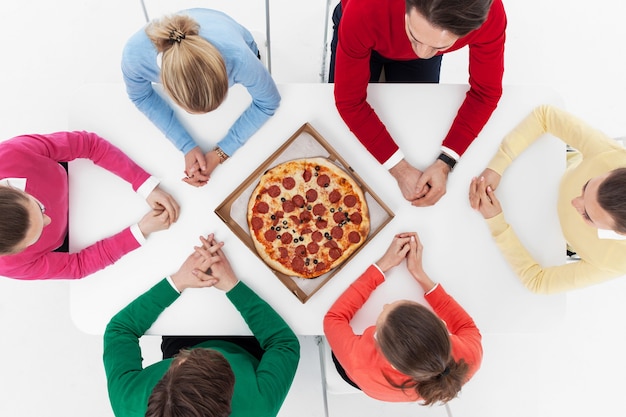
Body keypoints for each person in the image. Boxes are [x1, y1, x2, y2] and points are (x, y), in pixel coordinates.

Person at [329, 0, 506, 206]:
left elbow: (486, 92)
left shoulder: (490, 14)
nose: (421, 53)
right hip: (363, 25)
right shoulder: (364, 8)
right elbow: (349, 101)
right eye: (415, 37)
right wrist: (399, 169)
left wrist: (445, 161)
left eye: (440, 45)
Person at [103, 234, 300, 417]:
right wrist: (233, 286)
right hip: (250, 344)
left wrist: (177, 282)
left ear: (177, 365)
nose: (207, 350)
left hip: (179, 340)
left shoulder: (127, 402)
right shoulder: (259, 410)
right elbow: (284, 344)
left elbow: (120, 330)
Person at [470, 105, 626, 294]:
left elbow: (537, 282)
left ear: (619, 233)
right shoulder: (614, 157)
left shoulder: (617, 261)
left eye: (588, 216)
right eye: (586, 187)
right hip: (546, 168)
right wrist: (499, 163)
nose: (574, 202)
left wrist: (496, 222)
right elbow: (545, 115)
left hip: (544, 234)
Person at [122, 9, 280, 187]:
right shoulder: (134, 57)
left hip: (237, 39)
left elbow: (269, 101)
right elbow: (140, 96)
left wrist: (220, 153)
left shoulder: (240, 57)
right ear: (167, 86)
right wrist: (186, 145)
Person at [323, 232, 482, 403]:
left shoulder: (359, 361)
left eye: (377, 330)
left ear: (388, 358)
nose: (384, 306)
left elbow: (333, 318)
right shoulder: (470, 358)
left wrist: (382, 266)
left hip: (361, 378)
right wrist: (419, 273)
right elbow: (466, 326)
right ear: (442, 326)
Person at [0, 131, 179, 280]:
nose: (49, 219)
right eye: (36, 237)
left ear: (10, 189)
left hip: (81, 176)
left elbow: (88, 144)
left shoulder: (10, 155)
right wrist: (140, 231)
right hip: (81, 234)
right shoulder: (10, 266)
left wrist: (144, 184)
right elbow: (79, 266)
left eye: (40, 208)